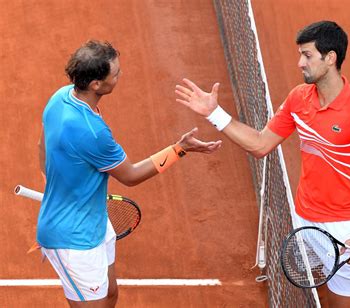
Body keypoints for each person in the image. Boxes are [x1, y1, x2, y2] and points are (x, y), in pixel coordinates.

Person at [175, 21, 350, 307]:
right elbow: (260, 144)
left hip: (343, 230)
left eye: (307, 55)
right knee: (315, 295)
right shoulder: (299, 99)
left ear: (330, 58)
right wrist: (214, 113)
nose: (300, 62)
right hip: (303, 218)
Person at [37, 40, 222, 307]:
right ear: (96, 85)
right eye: (116, 74)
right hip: (74, 240)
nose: (120, 76)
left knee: (110, 293)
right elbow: (131, 175)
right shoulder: (92, 132)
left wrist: (54, 185)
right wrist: (180, 148)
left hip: (95, 221)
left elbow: (41, 147)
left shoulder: (61, 97)